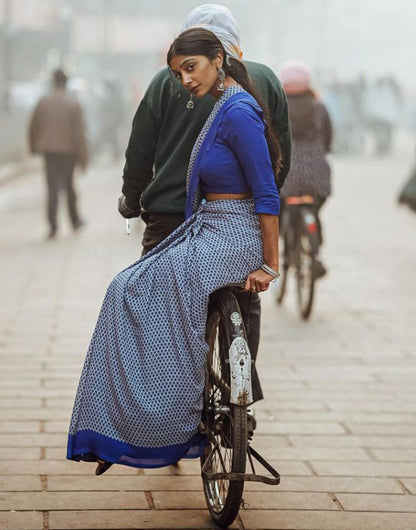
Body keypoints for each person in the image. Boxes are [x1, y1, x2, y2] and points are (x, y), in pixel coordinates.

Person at [67, 28, 280, 474]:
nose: (184, 80)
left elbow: (266, 193)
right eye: (177, 72)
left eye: (191, 68)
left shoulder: (238, 111)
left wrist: (270, 263)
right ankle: (138, 421)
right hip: (212, 229)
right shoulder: (221, 104)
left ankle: (152, 420)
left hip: (232, 238)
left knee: (131, 288)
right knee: (127, 286)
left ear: (218, 59)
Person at [118, 3, 291, 402]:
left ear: (214, 55)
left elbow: (140, 150)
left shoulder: (167, 81)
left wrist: (132, 197)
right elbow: (279, 157)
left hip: (168, 214)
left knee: (153, 305)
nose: (185, 77)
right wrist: (254, 206)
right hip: (240, 217)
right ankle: (239, 396)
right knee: (244, 306)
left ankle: (166, 401)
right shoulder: (264, 78)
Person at [278, 60, 332, 277]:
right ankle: (315, 250)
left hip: (288, 174)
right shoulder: (319, 108)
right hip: (317, 173)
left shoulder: (279, 107)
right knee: (314, 206)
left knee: (282, 206)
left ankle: (288, 243)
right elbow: (328, 139)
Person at [28, 69, 88, 239]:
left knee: (52, 187)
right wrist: (83, 157)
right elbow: (79, 133)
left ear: (53, 82)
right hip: (68, 151)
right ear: (66, 82)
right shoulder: (72, 103)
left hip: (49, 151)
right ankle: (75, 221)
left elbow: (33, 126)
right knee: (69, 186)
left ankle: (53, 226)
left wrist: (33, 146)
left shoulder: (43, 102)